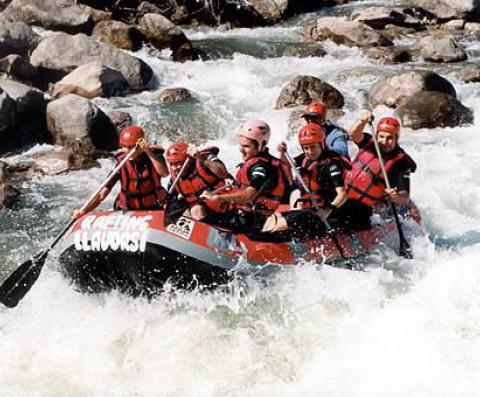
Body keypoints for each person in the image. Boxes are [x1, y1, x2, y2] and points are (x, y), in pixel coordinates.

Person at [201, 119, 292, 233]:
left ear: (261, 145)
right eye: (240, 145)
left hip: (256, 220)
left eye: (246, 146)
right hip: (246, 213)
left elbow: (249, 195)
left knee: (203, 221)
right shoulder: (257, 162)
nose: (241, 150)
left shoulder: (262, 168)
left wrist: (219, 198)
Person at [262, 123, 350, 239]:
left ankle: (269, 245)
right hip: (309, 210)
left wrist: (328, 210)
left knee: (281, 223)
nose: (309, 151)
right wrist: (283, 153)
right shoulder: (306, 158)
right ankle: (264, 240)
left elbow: (342, 194)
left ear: (321, 144)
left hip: (325, 213)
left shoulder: (331, 163)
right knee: (273, 217)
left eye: (313, 147)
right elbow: (285, 164)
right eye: (306, 148)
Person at [72, 125, 168, 219]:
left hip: (153, 207)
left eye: (132, 147)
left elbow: (164, 173)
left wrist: (148, 151)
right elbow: (101, 195)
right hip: (128, 209)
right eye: (126, 147)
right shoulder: (121, 163)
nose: (129, 151)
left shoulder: (154, 157)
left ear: (140, 146)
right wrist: (84, 211)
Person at [342, 111, 417, 229]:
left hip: (368, 208)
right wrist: (362, 121)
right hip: (344, 196)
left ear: (396, 139)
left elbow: (404, 197)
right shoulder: (369, 143)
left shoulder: (400, 163)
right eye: (381, 136)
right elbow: (353, 134)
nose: (384, 142)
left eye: (389, 138)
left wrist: (395, 196)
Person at [164, 141, 232, 223]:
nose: (175, 168)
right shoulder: (175, 180)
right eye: (171, 164)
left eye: (178, 163)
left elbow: (223, 173)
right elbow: (169, 203)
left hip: (226, 204)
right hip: (205, 214)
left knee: (199, 207)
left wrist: (201, 158)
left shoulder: (203, 160)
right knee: (195, 210)